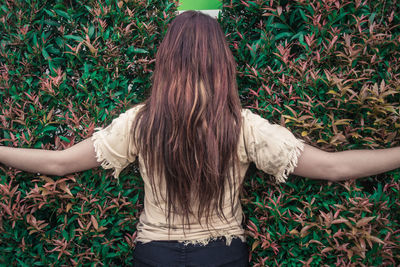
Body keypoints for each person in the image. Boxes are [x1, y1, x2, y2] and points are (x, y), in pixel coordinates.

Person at [0, 10, 399, 267]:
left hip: (154, 255)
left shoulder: (140, 121)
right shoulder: (242, 125)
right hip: (222, 256)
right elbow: (333, 167)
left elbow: (59, 163)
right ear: (221, 60)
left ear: (167, 58)